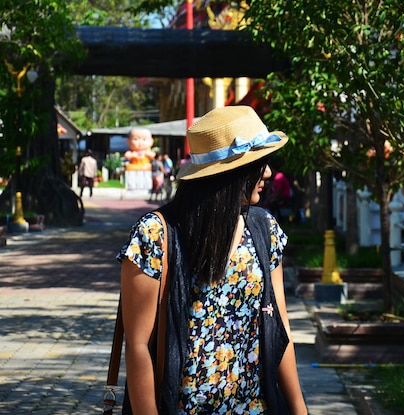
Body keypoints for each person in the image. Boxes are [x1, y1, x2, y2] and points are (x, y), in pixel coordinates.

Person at [117, 106, 307, 414]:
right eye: (260, 163)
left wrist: (299, 409)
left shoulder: (265, 228)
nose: (269, 173)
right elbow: (138, 346)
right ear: (231, 173)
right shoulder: (155, 235)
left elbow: (280, 329)